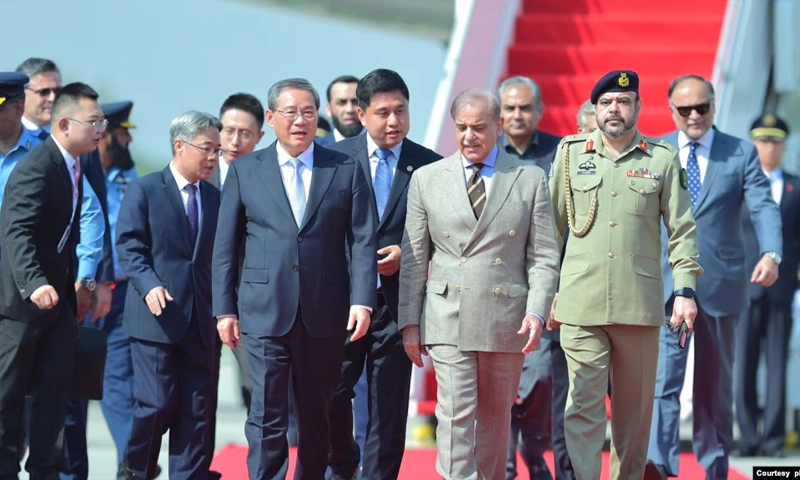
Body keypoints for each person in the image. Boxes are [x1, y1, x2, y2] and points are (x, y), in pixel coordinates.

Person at [212, 78, 376, 480]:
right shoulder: (246, 170)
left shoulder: (344, 168)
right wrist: (224, 310)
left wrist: (362, 300)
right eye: (290, 112)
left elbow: (361, 239)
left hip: (325, 312)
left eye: (307, 112)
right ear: (270, 119)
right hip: (263, 312)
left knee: (317, 414)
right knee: (267, 415)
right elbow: (226, 246)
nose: (300, 120)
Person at [398, 87, 561, 480]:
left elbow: (542, 255)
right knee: (454, 416)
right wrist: (410, 323)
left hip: (505, 317)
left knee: (494, 419)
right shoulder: (427, 179)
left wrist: (537, 310)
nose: (469, 136)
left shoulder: (529, 178)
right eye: (462, 127)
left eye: (479, 127)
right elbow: (415, 257)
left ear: (499, 126)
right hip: (447, 314)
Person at [549, 70, 703, 480]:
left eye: (622, 102)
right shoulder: (569, 154)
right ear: (595, 110)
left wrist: (685, 291)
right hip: (581, 302)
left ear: (637, 107)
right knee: (582, 403)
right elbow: (551, 231)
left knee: (634, 414)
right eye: (605, 103)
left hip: (639, 304)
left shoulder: (662, 158)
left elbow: (683, 232)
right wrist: (545, 292)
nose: (614, 109)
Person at [645, 75, 782, 480]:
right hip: (668, 285)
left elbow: (762, 204)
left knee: (714, 384)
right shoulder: (656, 150)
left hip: (722, 284)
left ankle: (714, 465)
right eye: (684, 109)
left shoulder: (739, 152)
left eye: (701, 107)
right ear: (671, 110)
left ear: (713, 106)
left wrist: (771, 253)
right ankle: (659, 463)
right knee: (663, 380)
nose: (693, 116)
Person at [326, 68, 442, 480]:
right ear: (360, 114)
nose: (393, 121)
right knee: (331, 397)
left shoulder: (430, 167)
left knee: (388, 409)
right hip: (342, 304)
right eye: (383, 113)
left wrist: (407, 254)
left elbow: (445, 236)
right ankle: (342, 467)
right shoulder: (334, 161)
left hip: (396, 306)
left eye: (401, 111)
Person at [0, 81, 102, 479]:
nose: (100, 129)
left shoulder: (75, 166)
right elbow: (16, 231)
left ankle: (45, 471)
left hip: (59, 304)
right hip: (20, 307)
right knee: (7, 400)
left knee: (56, 394)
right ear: (64, 123)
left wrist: (85, 281)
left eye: (101, 121)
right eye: (92, 121)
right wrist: (33, 282)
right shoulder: (36, 166)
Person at [116, 111, 222, 480]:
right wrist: (149, 284)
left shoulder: (216, 198)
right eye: (207, 148)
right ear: (180, 145)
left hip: (202, 322)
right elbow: (129, 247)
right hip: (156, 319)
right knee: (157, 404)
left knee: (197, 411)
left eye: (217, 151)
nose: (214, 157)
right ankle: (135, 468)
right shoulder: (145, 190)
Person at [497, 74, 562, 480]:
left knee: (540, 380)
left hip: (545, 286)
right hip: (498, 286)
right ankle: (503, 465)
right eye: (510, 108)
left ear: (538, 111)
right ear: (499, 114)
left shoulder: (561, 154)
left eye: (525, 107)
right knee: (497, 383)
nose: (517, 115)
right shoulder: (486, 152)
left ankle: (533, 449)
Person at [734, 113, 797, 459]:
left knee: (777, 365)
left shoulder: (796, 187)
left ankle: (773, 438)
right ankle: (747, 435)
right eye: (762, 140)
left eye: (774, 141)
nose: (768, 147)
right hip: (743, 289)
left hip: (783, 290)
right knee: (742, 364)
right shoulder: (739, 185)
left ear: (784, 145)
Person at [317, 75, 364, 145]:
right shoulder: (315, 150)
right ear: (329, 109)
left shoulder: (383, 145)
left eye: (356, 102)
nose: (349, 110)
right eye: (342, 103)